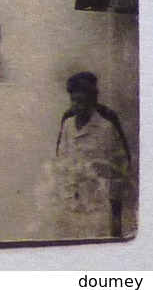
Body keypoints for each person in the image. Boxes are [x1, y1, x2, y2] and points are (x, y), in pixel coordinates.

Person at [38, 72, 135, 239]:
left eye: (82, 101)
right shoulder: (68, 124)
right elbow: (60, 158)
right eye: (74, 100)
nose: (77, 105)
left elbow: (122, 166)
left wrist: (100, 174)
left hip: (98, 202)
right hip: (70, 200)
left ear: (92, 101)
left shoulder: (106, 128)